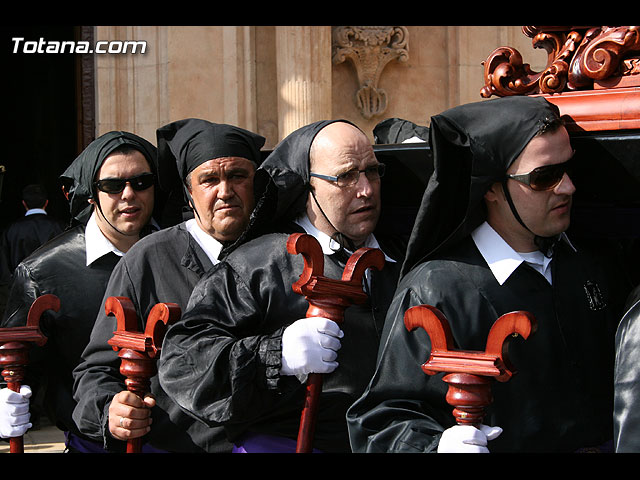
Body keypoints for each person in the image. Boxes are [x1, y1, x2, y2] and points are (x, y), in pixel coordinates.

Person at [346, 96, 627, 453]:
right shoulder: (435, 290)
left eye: (569, 169)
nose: (568, 187)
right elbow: (381, 421)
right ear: (492, 188)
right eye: (544, 177)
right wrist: (437, 448)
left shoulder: (591, 264)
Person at [157, 120, 404, 453]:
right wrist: (276, 354)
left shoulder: (403, 259)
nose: (366, 189)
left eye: (372, 172)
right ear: (308, 186)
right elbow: (183, 361)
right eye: (345, 176)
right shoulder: (259, 264)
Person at [71, 119, 265, 453]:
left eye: (237, 176)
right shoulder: (147, 260)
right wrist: (111, 410)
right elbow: (96, 369)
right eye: (209, 179)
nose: (225, 191)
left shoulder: (281, 250)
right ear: (189, 192)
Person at [0, 131, 165, 452]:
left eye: (141, 182)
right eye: (113, 185)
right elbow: (18, 360)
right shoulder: (42, 271)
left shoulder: (183, 250)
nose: (129, 194)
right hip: (92, 440)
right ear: (92, 193)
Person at [1, 184, 65, 275]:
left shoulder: (11, 229)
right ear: (46, 203)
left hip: (20, 286)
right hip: (52, 285)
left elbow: (4, 266)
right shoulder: (60, 227)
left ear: (24, 203)